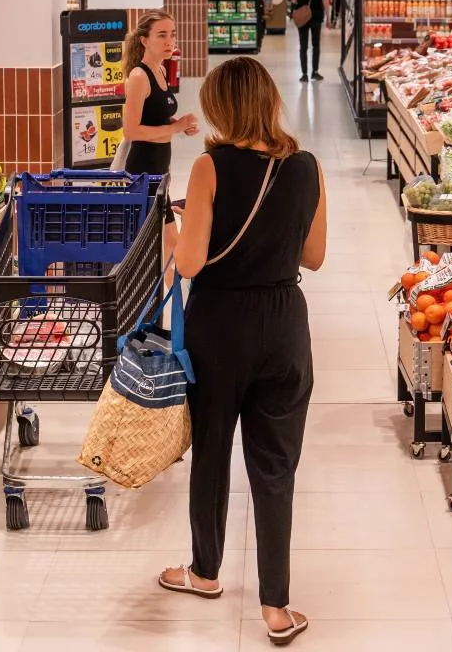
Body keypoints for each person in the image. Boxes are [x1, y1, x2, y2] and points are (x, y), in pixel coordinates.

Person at [160, 56, 326, 648]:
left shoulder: (210, 167)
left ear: (221, 108)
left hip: (220, 325)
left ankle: (205, 572)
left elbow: (188, 264)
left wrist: (173, 230)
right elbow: (313, 257)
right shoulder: (306, 167)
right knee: (275, 468)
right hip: (285, 325)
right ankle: (276, 608)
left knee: (212, 453)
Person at [119, 12, 198, 229]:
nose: (169, 41)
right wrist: (176, 127)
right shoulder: (138, 77)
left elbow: (155, 115)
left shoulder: (161, 70)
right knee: (168, 244)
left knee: (170, 245)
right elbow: (131, 131)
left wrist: (178, 124)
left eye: (172, 34)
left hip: (159, 170)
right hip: (143, 173)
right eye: (162, 35)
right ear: (144, 40)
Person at [290, 0, 325, 82]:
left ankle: (304, 74)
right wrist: (329, 17)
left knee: (303, 46)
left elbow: (293, 0)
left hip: (302, 17)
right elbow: (325, 1)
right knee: (316, 45)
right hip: (316, 17)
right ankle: (315, 72)